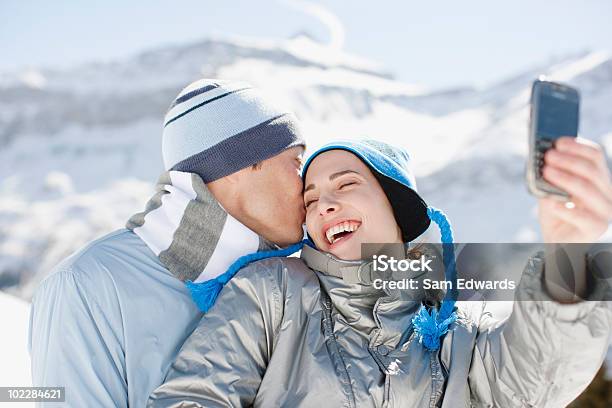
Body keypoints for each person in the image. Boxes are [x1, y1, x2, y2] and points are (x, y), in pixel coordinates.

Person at [149, 138, 612, 407]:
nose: (323, 203)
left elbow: (538, 380)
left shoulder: (462, 326)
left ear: (398, 207)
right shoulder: (272, 292)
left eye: (346, 184)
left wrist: (568, 253)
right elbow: (193, 397)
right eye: (310, 200)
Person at [28, 79, 307, 407]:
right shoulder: (86, 286)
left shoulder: (293, 283)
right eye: (297, 163)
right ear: (238, 166)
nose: (308, 185)